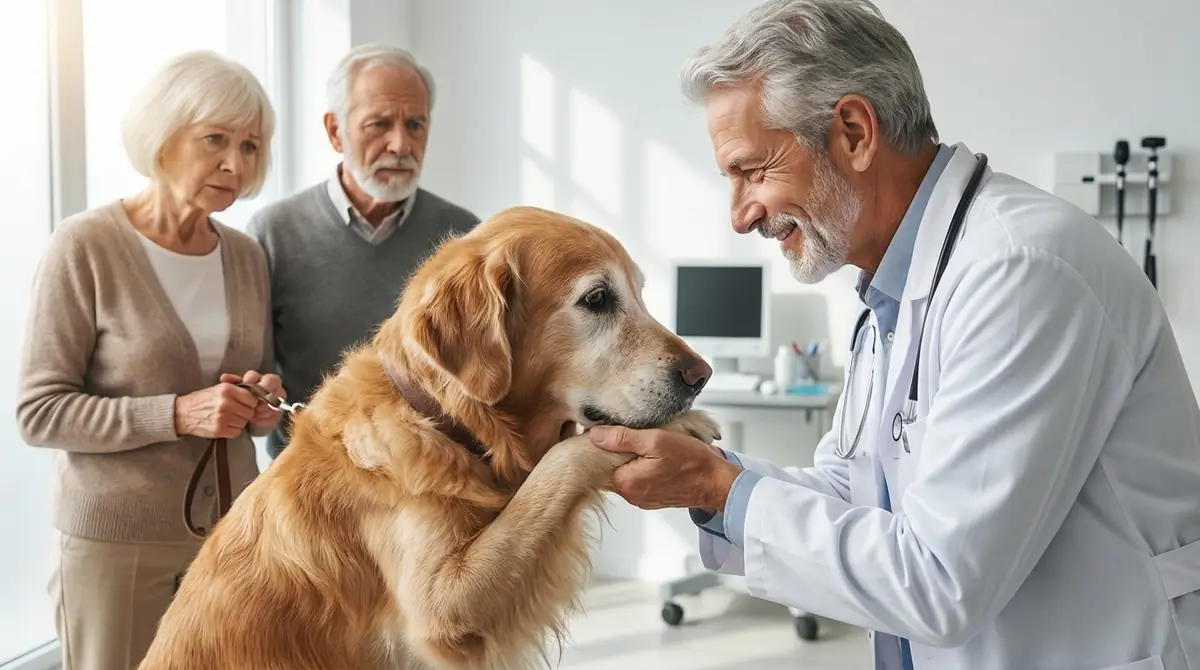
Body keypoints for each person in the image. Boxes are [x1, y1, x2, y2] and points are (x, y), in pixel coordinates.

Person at [589, 1, 1200, 668]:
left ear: (854, 132)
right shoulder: (893, 289)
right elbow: (855, 493)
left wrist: (717, 488)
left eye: (753, 170)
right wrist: (705, 477)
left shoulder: (1022, 272)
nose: (740, 216)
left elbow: (942, 581)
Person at [16, 50, 284, 670]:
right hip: (117, 547)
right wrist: (178, 414)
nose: (235, 163)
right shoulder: (85, 246)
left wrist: (263, 404)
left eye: (250, 146)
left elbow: (260, 378)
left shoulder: (246, 255)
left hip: (233, 539)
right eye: (215, 139)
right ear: (162, 136)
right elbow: (39, 412)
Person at [247, 44, 480, 458]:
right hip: (312, 477)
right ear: (335, 131)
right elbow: (259, 386)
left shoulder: (463, 236)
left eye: (415, 125)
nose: (401, 145)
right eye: (379, 124)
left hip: (436, 474)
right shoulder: (274, 232)